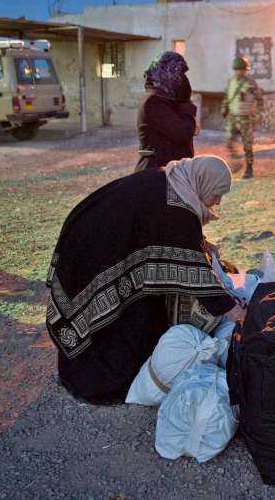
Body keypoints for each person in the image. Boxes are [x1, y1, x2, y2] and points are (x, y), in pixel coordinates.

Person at [46, 156, 245, 404]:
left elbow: (170, 234)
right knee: (119, 320)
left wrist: (202, 245)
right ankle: (100, 386)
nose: (217, 201)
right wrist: (233, 310)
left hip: (90, 236)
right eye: (217, 194)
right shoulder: (178, 208)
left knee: (138, 307)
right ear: (202, 182)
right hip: (93, 250)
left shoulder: (173, 179)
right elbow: (197, 275)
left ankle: (85, 375)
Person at [135, 52, 196, 172]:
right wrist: (185, 102)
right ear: (166, 73)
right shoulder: (154, 101)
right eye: (178, 73)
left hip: (167, 171)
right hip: (156, 173)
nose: (182, 79)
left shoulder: (167, 99)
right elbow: (184, 132)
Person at [222, 56, 263, 179]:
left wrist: (258, 113)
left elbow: (259, 99)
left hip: (246, 118)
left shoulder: (250, 83)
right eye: (239, 70)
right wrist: (224, 109)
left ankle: (249, 168)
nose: (241, 72)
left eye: (243, 70)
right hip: (233, 117)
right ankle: (236, 163)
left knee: (247, 145)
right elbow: (226, 96)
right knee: (228, 142)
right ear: (235, 70)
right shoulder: (231, 82)